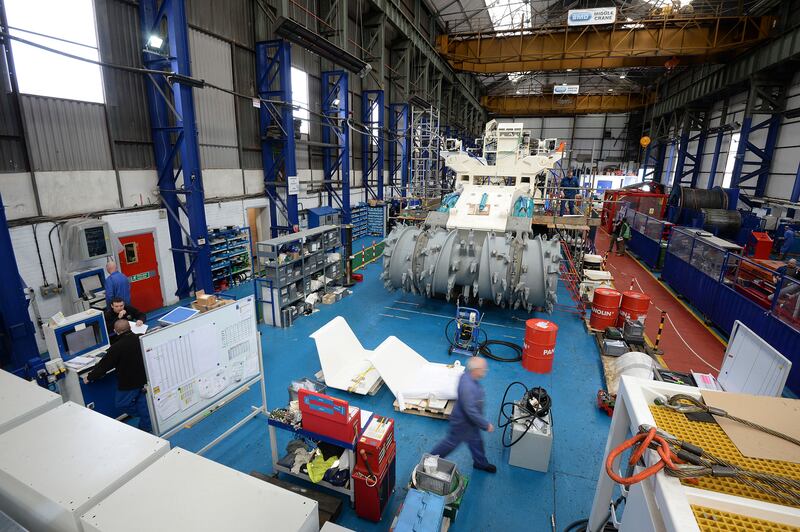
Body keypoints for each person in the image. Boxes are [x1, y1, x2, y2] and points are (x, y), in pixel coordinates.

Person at [82, 320, 152, 432]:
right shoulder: (141, 337)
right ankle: (146, 425)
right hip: (145, 378)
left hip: (129, 383)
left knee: (122, 404)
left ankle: (146, 417)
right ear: (130, 327)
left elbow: (104, 366)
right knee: (142, 402)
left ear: (115, 331)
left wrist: (89, 377)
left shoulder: (116, 347)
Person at [430, 357, 496, 473]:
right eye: (483, 369)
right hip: (462, 423)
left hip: (471, 423)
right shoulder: (467, 386)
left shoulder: (468, 377)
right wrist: (485, 425)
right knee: (450, 443)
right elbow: (470, 410)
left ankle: (480, 463)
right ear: (475, 370)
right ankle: (430, 459)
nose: (485, 371)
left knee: (477, 442)